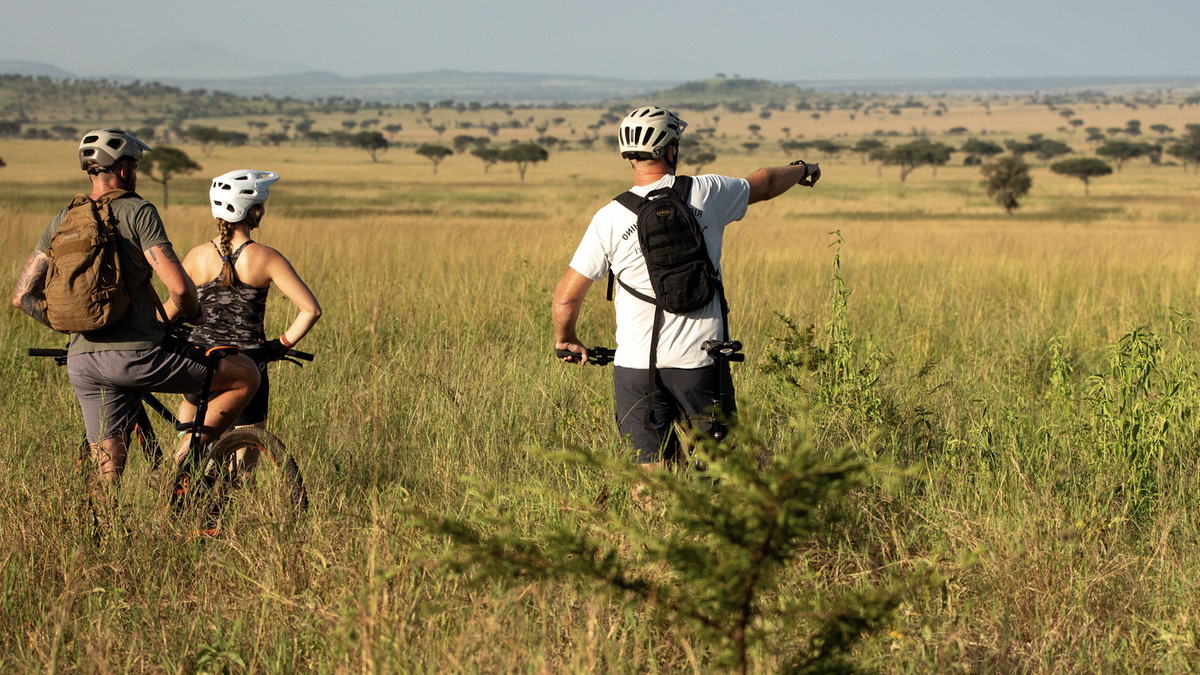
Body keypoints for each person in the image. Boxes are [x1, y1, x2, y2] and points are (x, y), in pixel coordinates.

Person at [552, 106, 821, 475]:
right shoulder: (706, 191)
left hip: (635, 369)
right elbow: (766, 182)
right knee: (723, 470)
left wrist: (566, 339)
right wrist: (802, 168)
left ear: (629, 155)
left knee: (651, 479)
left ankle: (653, 532)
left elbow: (566, 298)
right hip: (700, 363)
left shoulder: (609, 217)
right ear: (670, 150)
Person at [11, 129, 261, 484]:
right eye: (134, 164)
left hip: (82, 362)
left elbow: (21, 296)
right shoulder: (138, 210)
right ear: (124, 169)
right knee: (245, 374)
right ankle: (183, 464)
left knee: (108, 463)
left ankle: (97, 532)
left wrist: (70, 322)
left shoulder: (63, 220)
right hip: (138, 357)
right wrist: (194, 313)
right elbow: (177, 285)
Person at [171, 169, 321, 439]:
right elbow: (311, 310)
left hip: (198, 360)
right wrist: (277, 346)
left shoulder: (196, 256)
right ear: (253, 211)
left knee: (186, 460)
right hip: (247, 362)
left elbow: (170, 313)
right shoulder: (267, 257)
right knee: (243, 467)